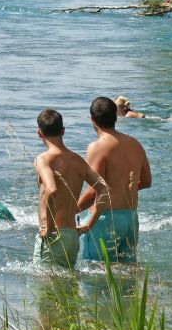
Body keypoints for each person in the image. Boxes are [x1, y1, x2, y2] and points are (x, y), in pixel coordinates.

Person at [77, 97, 152, 263]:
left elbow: (93, 191)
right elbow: (147, 181)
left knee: (97, 275)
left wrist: (70, 210)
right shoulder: (135, 144)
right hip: (131, 218)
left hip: (105, 219)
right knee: (127, 275)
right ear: (116, 116)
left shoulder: (97, 147)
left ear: (92, 120)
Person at [33, 109, 105, 268]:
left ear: (39, 133)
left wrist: (49, 228)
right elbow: (104, 189)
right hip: (72, 236)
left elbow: (51, 190)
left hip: (53, 236)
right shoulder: (78, 161)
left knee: (43, 289)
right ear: (63, 130)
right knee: (68, 289)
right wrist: (89, 224)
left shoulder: (43, 160)